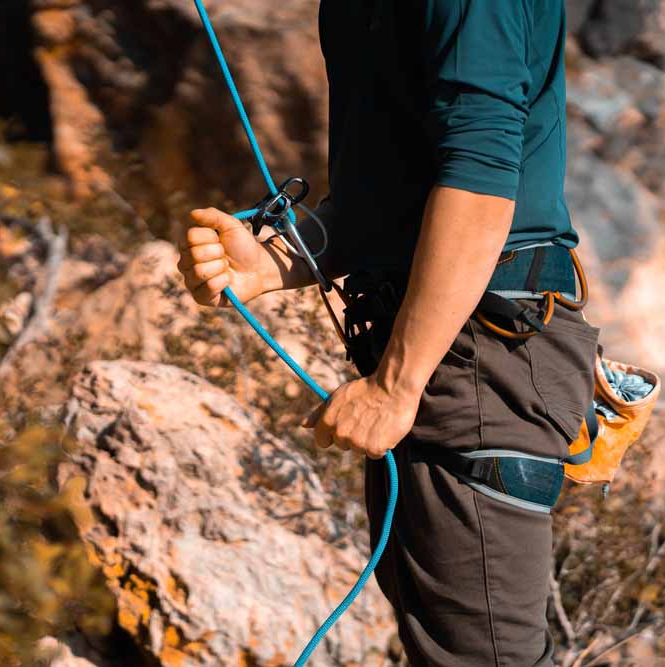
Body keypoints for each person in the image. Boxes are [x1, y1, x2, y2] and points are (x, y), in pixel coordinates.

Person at [176, 1, 599, 664]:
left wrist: (397, 385)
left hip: (476, 355)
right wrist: (274, 258)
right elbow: (385, 193)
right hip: (437, 346)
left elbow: (483, 178)